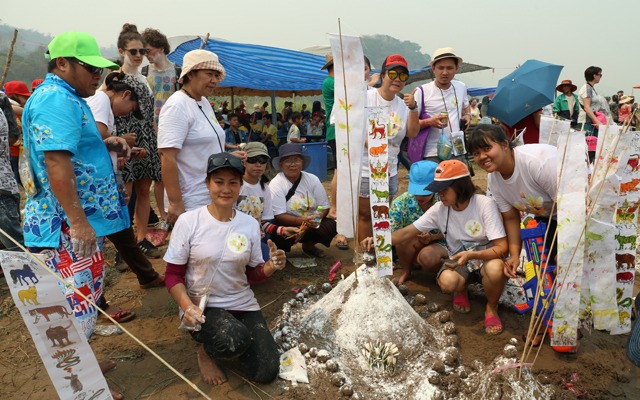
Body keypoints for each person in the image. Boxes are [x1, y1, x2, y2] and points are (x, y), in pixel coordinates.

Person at [22, 31, 130, 399]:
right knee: (72, 309)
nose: (97, 76)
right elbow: (54, 161)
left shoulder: (66, 96)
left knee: (83, 302)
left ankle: (83, 364)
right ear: (63, 64)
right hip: (67, 226)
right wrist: (80, 222)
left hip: (74, 223)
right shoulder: (55, 99)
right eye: (90, 68)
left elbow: (67, 149)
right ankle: (83, 389)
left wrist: (104, 144)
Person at [165, 152, 283, 385]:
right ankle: (207, 352)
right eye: (219, 182)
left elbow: (252, 275)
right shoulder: (189, 221)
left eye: (233, 183)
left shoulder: (249, 224)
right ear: (208, 183)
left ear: (240, 186)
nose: (225, 189)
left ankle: (234, 341)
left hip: (242, 303)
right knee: (232, 341)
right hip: (203, 306)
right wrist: (188, 307)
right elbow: (172, 275)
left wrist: (271, 266)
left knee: (266, 371)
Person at [392, 160, 508, 335]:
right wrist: (376, 240)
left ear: (460, 187)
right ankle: (461, 289)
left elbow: (501, 247)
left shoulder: (484, 204)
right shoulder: (440, 209)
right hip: (457, 259)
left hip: (485, 256)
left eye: (444, 189)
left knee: (495, 269)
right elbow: (405, 233)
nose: (440, 194)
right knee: (448, 283)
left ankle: (491, 307)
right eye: (438, 190)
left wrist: (471, 255)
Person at [468, 123, 559, 342]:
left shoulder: (537, 163)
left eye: (486, 149)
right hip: (548, 217)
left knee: (567, 269)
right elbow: (510, 217)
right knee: (541, 273)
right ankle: (546, 323)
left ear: (505, 144)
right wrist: (515, 254)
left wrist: (564, 246)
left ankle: (567, 331)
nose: (482, 157)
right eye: (476, 153)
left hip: (579, 209)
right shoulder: (495, 179)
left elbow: (572, 206)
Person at [87, 72, 164, 289]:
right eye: (132, 107)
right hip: (96, 181)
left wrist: (125, 150)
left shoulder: (101, 101)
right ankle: (142, 277)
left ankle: (146, 276)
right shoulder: (102, 100)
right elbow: (98, 139)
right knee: (116, 230)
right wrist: (122, 143)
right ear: (126, 94)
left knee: (121, 229)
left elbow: (101, 143)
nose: (129, 112)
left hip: (101, 178)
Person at [158, 49, 241, 225]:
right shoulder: (177, 106)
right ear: (190, 74)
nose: (214, 81)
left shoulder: (203, 102)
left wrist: (227, 158)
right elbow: (167, 156)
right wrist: (175, 202)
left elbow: (204, 148)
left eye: (217, 76)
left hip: (211, 195)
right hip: (191, 200)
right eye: (209, 74)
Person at [357, 54, 420, 244]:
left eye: (402, 76)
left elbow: (412, 133)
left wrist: (414, 109)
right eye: (392, 73)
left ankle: (380, 252)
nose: (397, 79)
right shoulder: (366, 97)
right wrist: (375, 147)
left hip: (391, 169)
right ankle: (366, 256)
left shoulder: (403, 105)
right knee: (366, 214)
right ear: (383, 75)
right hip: (368, 168)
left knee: (382, 213)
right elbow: (354, 129)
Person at [113, 23, 163, 258]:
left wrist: (156, 140)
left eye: (142, 51)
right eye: (133, 51)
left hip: (148, 139)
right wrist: (118, 144)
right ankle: (123, 249)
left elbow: (150, 114)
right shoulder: (114, 78)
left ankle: (141, 238)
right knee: (126, 194)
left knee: (144, 190)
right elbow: (107, 111)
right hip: (126, 140)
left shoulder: (144, 79)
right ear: (122, 51)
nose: (138, 56)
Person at [361, 160, 443, 286]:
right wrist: (376, 240)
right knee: (404, 239)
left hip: (443, 241)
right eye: (416, 191)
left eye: (425, 192)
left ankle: (443, 271)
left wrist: (433, 237)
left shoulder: (444, 200)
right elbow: (395, 233)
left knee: (427, 259)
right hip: (412, 242)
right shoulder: (401, 203)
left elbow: (457, 231)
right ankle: (407, 270)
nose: (420, 196)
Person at [269, 143, 337, 257]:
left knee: (330, 225)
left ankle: (309, 246)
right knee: (279, 232)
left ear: (302, 163)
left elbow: (323, 206)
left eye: (297, 160)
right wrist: (302, 221)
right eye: (288, 161)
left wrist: (315, 219)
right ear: (281, 164)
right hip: (288, 223)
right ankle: (281, 252)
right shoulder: (276, 184)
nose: (293, 164)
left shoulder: (312, 179)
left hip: (311, 222)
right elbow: (279, 215)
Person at [142, 27, 180, 226]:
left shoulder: (178, 71)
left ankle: (176, 208)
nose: (146, 55)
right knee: (158, 175)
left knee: (176, 170)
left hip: (174, 127)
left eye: (148, 50)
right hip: (150, 129)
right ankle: (163, 215)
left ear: (161, 48)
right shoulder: (144, 72)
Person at [236, 142, 298, 260]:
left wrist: (283, 230)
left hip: (257, 238)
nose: (258, 164)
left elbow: (263, 222)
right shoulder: (236, 185)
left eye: (262, 160)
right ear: (244, 161)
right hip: (236, 238)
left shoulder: (265, 189)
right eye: (253, 160)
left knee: (269, 260)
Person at [413, 47, 471, 163]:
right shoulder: (422, 91)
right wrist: (429, 122)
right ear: (433, 69)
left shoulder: (461, 87)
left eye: (449, 68)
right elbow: (410, 126)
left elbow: (465, 107)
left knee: (461, 181)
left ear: (456, 68)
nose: (445, 72)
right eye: (441, 68)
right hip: (433, 153)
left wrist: (468, 115)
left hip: (458, 150)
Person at [0, 95, 24, 252]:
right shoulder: (2, 99)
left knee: (15, 248)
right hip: (5, 183)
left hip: (2, 188)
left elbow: (12, 138)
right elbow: (12, 137)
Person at [2, 80, 30, 184]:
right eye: (24, 97)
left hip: (17, 151)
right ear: (14, 96)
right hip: (11, 151)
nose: (26, 99)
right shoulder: (6, 107)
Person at [577, 66, 610, 137]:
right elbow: (587, 107)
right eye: (600, 75)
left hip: (591, 121)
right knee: (589, 143)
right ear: (594, 76)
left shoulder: (591, 88)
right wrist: (597, 121)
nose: (600, 77)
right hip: (586, 121)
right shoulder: (587, 89)